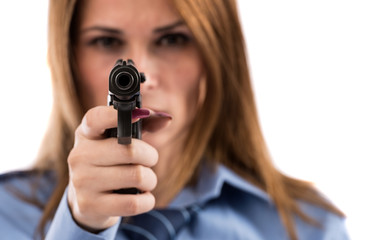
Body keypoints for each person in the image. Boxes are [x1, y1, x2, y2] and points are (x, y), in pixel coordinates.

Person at [0, 0, 349, 239]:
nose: (142, 76)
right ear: (66, 59)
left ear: (217, 52)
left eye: (172, 39)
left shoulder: (307, 228)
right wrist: (80, 227)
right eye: (105, 40)